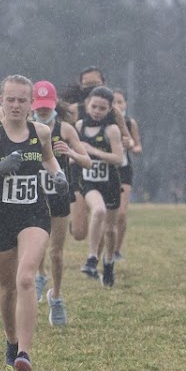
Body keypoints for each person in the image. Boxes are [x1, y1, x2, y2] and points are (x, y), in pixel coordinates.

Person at [0, 74, 65, 371]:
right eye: (10, 99)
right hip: (0, 217)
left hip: (34, 214)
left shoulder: (41, 132)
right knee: (7, 288)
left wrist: (58, 176)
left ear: (31, 103)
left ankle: (24, 353)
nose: (16, 105)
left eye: (22, 100)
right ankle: (11, 340)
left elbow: (49, 159)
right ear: (1, 101)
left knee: (26, 278)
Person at [30, 81, 92, 327]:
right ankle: (39, 275)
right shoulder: (26, 127)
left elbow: (87, 161)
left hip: (59, 195)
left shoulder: (65, 129)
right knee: (36, 247)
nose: (43, 111)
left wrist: (71, 153)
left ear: (55, 104)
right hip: (33, 196)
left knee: (56, 252)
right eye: (39, 107)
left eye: (47, 106)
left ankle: (55, 296)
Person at [75, 86, 125, 288]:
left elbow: (118, 159)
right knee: (98, 211)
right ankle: (92, 258)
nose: (97, 111)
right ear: (87, 104)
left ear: (110, 109)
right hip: (89, 182)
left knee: (110, 230)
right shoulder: (79, 126)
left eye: (102, 108)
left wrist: (94, 151)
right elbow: (75, 152)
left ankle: (109, 262)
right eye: (94, 106)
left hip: (110, 183)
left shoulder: (111, 130)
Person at [110, 88, 142, 267]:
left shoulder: (130, 123)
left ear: (125, 104)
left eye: (120, 102)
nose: (116, 105)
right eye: (113, 102)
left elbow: (137, 148)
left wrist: (129, 145)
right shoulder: (101, 122)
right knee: (104, 213)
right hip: (104, 170)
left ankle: (116, 250)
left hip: (123, 169)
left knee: (121, 213)